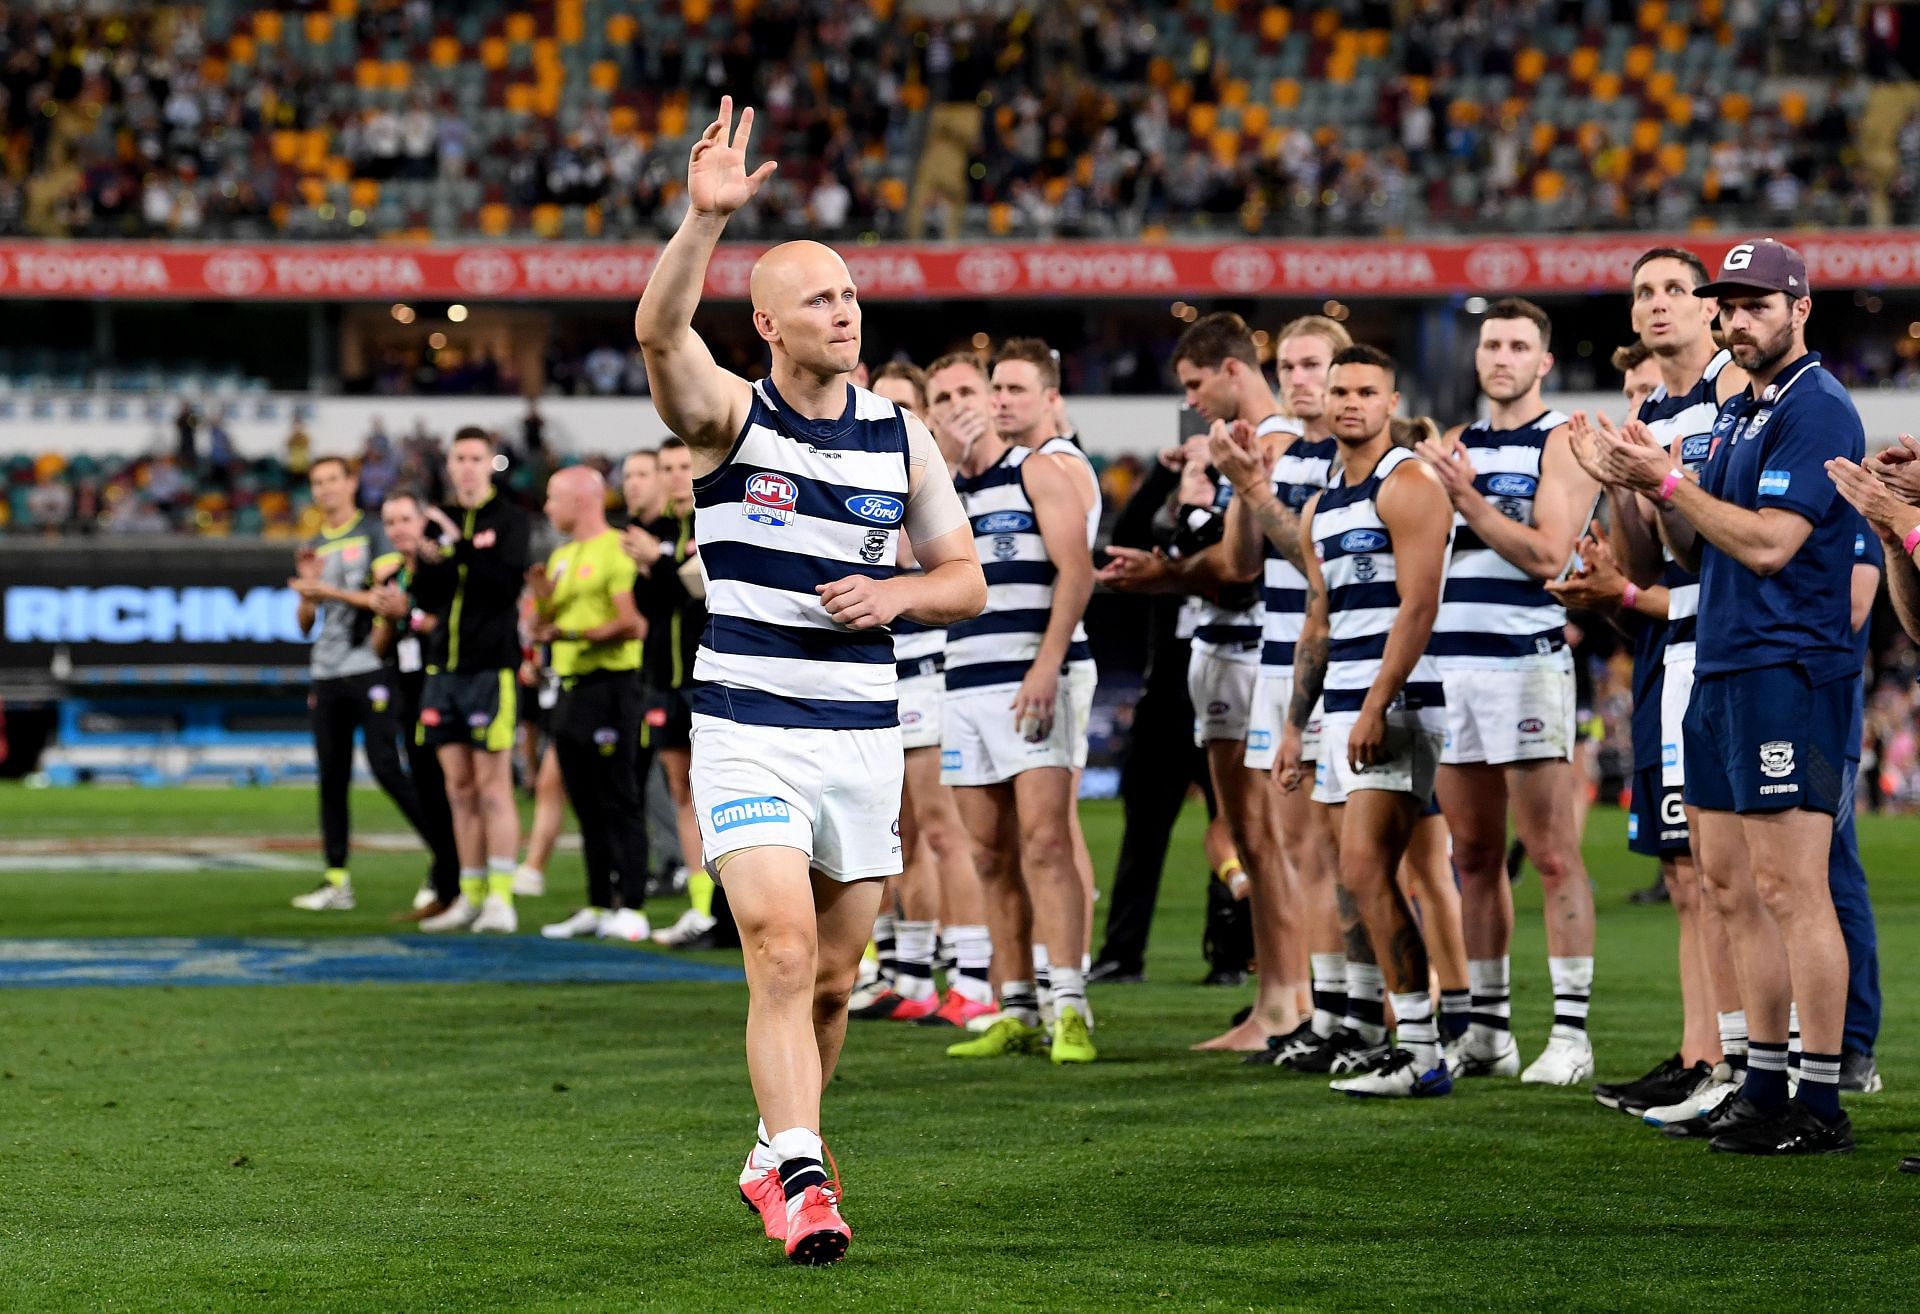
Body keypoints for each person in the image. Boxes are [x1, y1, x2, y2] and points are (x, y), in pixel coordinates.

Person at [632, 97, 985, 1264]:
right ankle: (802, 1179)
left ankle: (776, 1146)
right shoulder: (729, 419)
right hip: (748, 727)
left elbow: (963, 577)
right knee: (778, 951)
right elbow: (657, 332)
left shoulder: (901, 434)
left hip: (858, 736)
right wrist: (701, 220)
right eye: (821, 300)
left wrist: (900, 596)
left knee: (833, 984)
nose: (846, 312)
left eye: (850, 295)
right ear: (770, 323)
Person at [1586, 238, 1862, 1154]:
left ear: (1800, 309)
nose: (1739, 320)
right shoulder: (1746, 411)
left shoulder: (1816, 407)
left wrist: (1667, 480)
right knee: (1726, 884)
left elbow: (1773, 543)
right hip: (1723, 662)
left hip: (1790, 666)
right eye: (1729, 305)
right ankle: (1761, 1078)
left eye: (1757, 304)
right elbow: (1700, 548)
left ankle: (1819, 1101)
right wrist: (1644, 489)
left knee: (1792, 886)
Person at [1568, 253, 1752, 1125]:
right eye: (1645, 292)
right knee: (1692, 877)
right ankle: (1703, 1055)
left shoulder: (1737, 391)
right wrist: (1615, 486)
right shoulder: (1658, 410)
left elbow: (1730, 547)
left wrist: (1661, 484)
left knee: (1739, 879)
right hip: (1681, 648)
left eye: (1677, 289)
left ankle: (1757, 1066)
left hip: (1738, 647)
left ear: (1710, 311)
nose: (1659, 304)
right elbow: (1653, 562)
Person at [1100, 311, 1306, 1051]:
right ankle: (1277, 998)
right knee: (1249, 836)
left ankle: (1295, 997)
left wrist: (1165, 574)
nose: (1192, 400)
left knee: (1273, 838)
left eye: (1195, 384)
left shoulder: (1274, 444)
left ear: (1230, 371)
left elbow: (1236, 571)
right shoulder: (1228, 449)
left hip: (1257, 649)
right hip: (1219, 650)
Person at [1414, 298, 1601, 1086]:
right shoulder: (1456, 444)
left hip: (1524, 662)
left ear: (1543, 363)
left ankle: (1570, 1032)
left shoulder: (1562, 441)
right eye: (1491, 343)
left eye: (1518, 344)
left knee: (1553, 853)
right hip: (1453, 667)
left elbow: (1550, 554)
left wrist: (1466, 500)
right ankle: (1489, 1031)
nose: (1501, 356)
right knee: (1474, 854)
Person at [1279, 344, 1457, 1097]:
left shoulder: (1410, 483)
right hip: (1342, 708)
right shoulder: (1323, 504)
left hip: (1399, 705)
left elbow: (1420, 605)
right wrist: (1296, 723)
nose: (1350, 401)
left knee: (1365, 870)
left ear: (1391, 403)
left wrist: (1378, 703)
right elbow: (1318, 621)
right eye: (1339, 389)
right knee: (1360, 877)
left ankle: (1420, 1048)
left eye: (1366, 391)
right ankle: (1401, 1038)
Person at [937, 346, 1100, 1067]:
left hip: (1029, 681)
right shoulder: (933, 493)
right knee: (988, 854)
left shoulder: (1041, 470)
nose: (972, 406)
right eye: (943, 401)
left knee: (1046, 843)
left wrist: (1045, 667)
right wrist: (940, 468)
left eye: (982, 391)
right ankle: (1015, 1007)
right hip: (962, 684)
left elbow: (1078, 572)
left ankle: (1071, 1006)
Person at [854, 361, 996, 1026]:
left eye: (904, 404)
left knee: (944, 830)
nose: (890, 415)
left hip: (930, 656)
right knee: (900, 832)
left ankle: (972, 978)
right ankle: (909, 973)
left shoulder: (925, 469)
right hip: (884, 657)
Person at [988, 337, 1103, 990]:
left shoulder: (1057, 464)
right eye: (996, 389)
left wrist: (1047, 659)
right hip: (1030, 660)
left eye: (1016, 391)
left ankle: (1069, 967)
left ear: (1051, 400)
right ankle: (1044, 969)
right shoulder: (1026, 464)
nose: (1002, 401)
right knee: (1037, 832)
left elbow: (1072, 571)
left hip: (1052, 659)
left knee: (1053, 830)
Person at [287, 456, 436, 912]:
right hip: (326, 671)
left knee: (387, 767)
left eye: (333, 479)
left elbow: (384, 600)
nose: (325, 489)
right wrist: (309, 591)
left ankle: (445, 855)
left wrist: (327, 592)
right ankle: (336, 879)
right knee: (331, 777)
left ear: (351, 483)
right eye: (317, 482)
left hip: (370, 666)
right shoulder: (314, 543)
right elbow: (305, 624)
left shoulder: (373, 533)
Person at [409, 427, 533, 935]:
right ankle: (470, 892)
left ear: (491, 463)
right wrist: (426, 559)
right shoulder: (440, 520)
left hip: (490, 667)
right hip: (443, 668)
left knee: (492, 787)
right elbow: (428, 597)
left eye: (474, 457)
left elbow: (504, 586)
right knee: (458, 788)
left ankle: (502, 898)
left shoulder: (510, 519)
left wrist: (459, 549)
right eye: (457, 457)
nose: (465, 466)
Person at [529, 467, 653, 943]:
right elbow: (548, 624)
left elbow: (632, 623)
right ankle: (600, 902)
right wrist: (543, 606)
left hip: (612, 686)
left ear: (581, 500)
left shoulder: (616, 549)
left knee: (619, 796)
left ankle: (635, 906)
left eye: (552, 498)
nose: (546, 507)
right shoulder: (561, 556)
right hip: (570, 686)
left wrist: (571, 632)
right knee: (583, 801)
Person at [627, 438, 715, 948]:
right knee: (681, 791)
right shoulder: (658, 532)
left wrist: (658, 560)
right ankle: (701, 907)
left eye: (684, 465)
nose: (677, 475)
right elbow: (653, 603)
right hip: (664, 678)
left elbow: (698, 587)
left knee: (714, 792)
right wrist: (651, 564)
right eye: (667, 468)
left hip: (709, 676)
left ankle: (728, 909)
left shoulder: (716, 518)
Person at [367, 490, 462, 920]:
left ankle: (459, 885)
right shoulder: (389, 575)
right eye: (390, 522)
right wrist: (389, 616)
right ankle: (446, 882)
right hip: (408, 692)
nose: (398, 529)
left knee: (451, 792)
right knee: (426, 789)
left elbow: (451, 626)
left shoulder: (441, 568)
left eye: (405, 519)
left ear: (423, 522)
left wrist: (412, 614)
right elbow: (379, 646)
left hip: (444, 687)